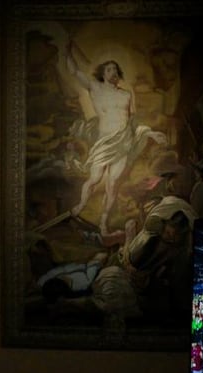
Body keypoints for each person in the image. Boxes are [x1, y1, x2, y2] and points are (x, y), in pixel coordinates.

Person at [64, 39, 167, 234]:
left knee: (112, 184)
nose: (113, 72)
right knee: (94, 178)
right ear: (103, 73)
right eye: (109, 69)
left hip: (123, 142)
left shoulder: (126, 95)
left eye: (115, 69)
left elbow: (132, 122)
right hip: (104, 142)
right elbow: (75, 71)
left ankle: (103, 220)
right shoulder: (95, 88)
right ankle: (81, 205)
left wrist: (151, 133)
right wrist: (68, 54)